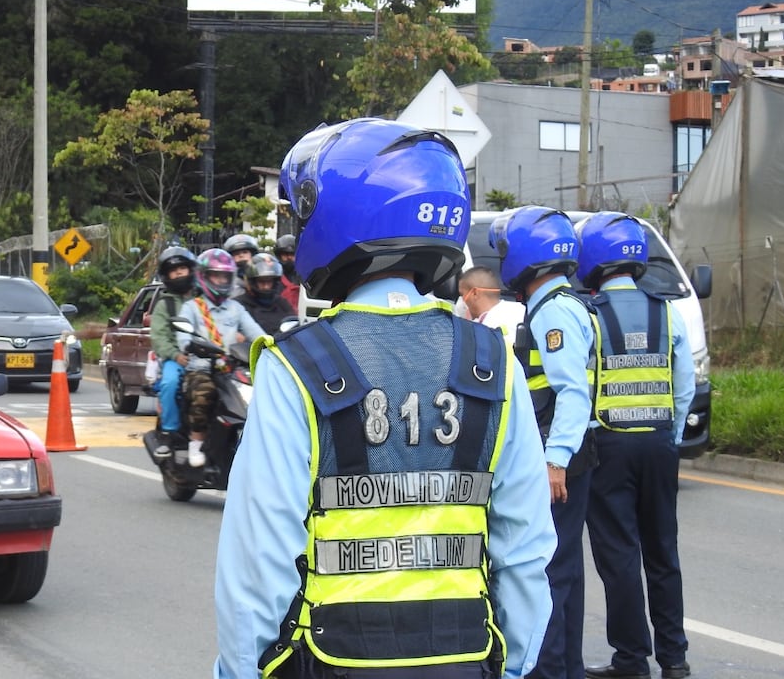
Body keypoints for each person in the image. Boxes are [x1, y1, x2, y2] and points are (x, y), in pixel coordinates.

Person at [216, 118, 555, 679]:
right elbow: (524, 547)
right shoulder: (494, 361)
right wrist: (513, 666)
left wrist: (239, 671)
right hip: (466, 659)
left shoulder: (296, 366)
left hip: (332, 660)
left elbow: (259, 560)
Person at [577, 213, 694, 679]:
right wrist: (673, 436)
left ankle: (631, 660)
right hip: (660, 444)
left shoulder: (589, 316)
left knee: (619, 555)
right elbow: (683, 387)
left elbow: (580, 386)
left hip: (609, 447)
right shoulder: (669, 312)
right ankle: (675, 659)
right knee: (663, 553)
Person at [490, 205, 597, 679]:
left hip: (557, 455)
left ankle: (546, 668)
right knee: (564, 571)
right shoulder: (564, 305)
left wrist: (554, 461)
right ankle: (565, 668)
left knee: (544, 571)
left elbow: (573, 392)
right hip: (568, 453)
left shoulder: (553, 311)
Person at [176, 247, 265, 468]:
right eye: (216, 275)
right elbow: (183, 337)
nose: (221, 280)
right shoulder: (193, 308)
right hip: (202, 369)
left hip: (230, 370)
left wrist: (273, 344)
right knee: (204, 394)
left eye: (225, 276)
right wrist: (191, 345)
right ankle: (195, 443)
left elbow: (257, 333)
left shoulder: (236, 308)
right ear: (204, 276)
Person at [149, 246, 199, 459]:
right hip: (176, 359)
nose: (179, 273)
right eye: (173, 270)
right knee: (169, 384)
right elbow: (159, 337)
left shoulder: (203, 298)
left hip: (209, 357)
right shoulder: (164, 304)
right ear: (166, 276)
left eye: (182, 268)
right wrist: (176, 355)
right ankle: (169, 433)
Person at [235, 252, 295, 334]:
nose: (266, 286)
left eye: (269, 281)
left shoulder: (282, 302)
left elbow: (294, 325)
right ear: (252, 281)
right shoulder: (239, 305)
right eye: (262, 282)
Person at [458, 265, 525, 337]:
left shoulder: (487, 327)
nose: (462, 301)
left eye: (462, 295)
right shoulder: (522, 310)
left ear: (475, 293)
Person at [274, 233, 301, 310]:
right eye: (285, 254)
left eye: (292, 254)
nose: (289, 257)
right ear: (279, 255)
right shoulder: (273, 277)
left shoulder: (305, 277)